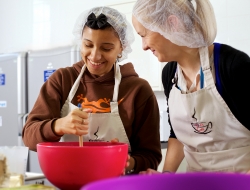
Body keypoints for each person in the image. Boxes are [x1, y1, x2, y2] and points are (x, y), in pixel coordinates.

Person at [22, 6, 162, 174]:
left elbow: (151, 157)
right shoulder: (62, 80)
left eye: (106, 48)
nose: (95, 56)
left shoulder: (138, 90)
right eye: (88, 45)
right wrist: (59, 125)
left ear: (121, 48)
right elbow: (29, 137)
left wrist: (126, 161)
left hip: (118, 185)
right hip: (69, 181)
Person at [132, 0, 250, 174]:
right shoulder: (170, 74)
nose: (144, 46)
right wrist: (166, 177)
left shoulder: (232, 66)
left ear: (172, 24)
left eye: (144, 35)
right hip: (196, 182)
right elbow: (178, 136)